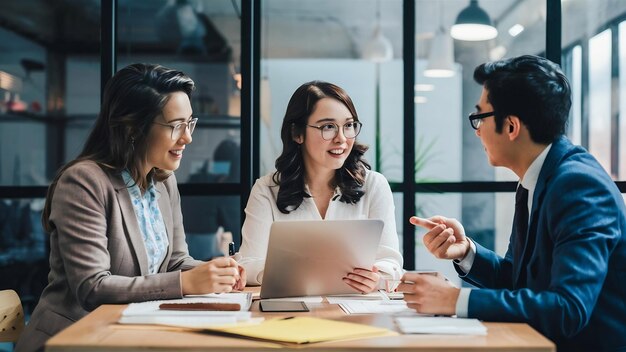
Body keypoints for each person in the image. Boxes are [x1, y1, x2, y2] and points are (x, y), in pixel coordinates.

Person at [399, 55, 626, 351]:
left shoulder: (579, 186)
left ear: (511, 126)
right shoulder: (538, 177)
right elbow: (519, 282)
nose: (477, 129)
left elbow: (568, 309)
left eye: (480, 117)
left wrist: (454, 299)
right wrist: (467, 251)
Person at [16, 64, 245, 352]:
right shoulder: (84, 181)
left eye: (189, 123)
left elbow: (175, 262)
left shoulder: (164, 182)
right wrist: (187, 282)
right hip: (74, 340)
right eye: (176, 126)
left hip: (131, 335)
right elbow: (92, 287)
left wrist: (217, 272)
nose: (187, 137)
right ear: (134, 128)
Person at [238, 81, 403, 293]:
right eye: (328, 127)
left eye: (349, 125)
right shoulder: (266, 190)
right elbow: (248, 264)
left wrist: (376, 277)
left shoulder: (374, 185)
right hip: (291, 311)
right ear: (297, 134)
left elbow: (392, 264)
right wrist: (294, 271)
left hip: (358, 309)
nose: (341, 139)